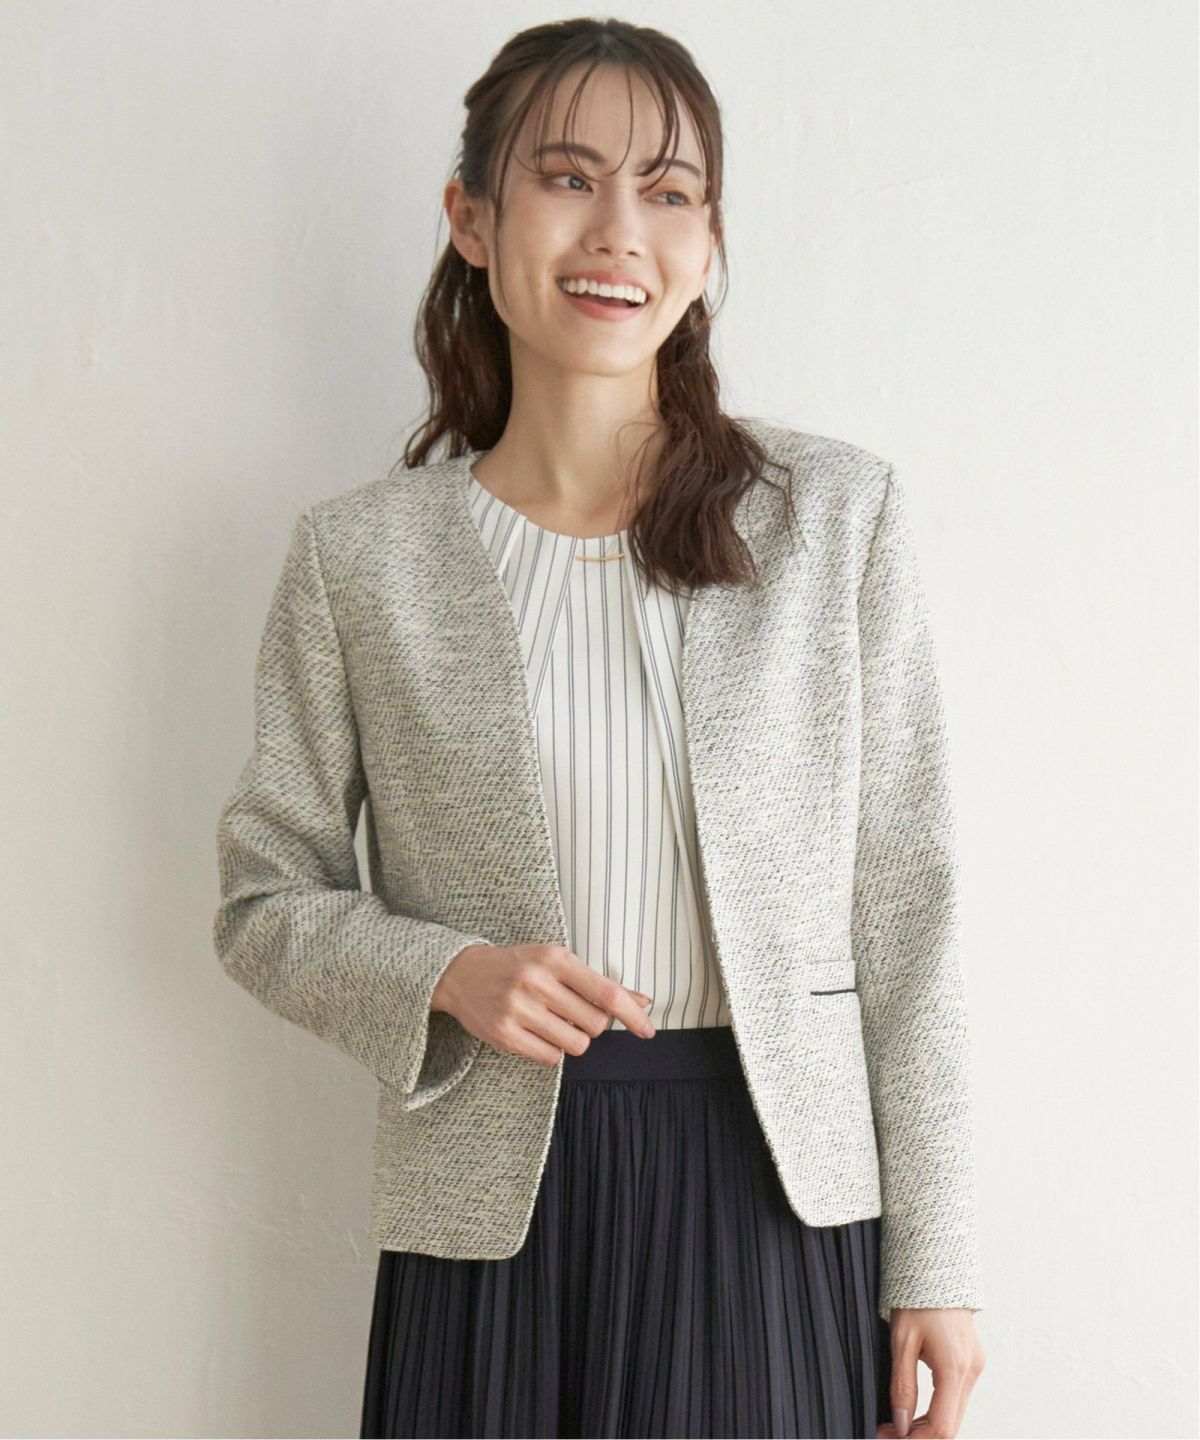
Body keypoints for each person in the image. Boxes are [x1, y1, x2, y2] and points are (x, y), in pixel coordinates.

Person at [213, 17, 986, 1440]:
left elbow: (907, 905)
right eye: (568, 177)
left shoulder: (834, 522)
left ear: (709, 242)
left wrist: (937, 1259)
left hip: (766, 1195)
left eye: (669, 190)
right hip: (484, 1211)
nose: (619, 229)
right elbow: (265, 898)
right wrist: (446, 973)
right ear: (472, 219)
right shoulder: (358, 560)